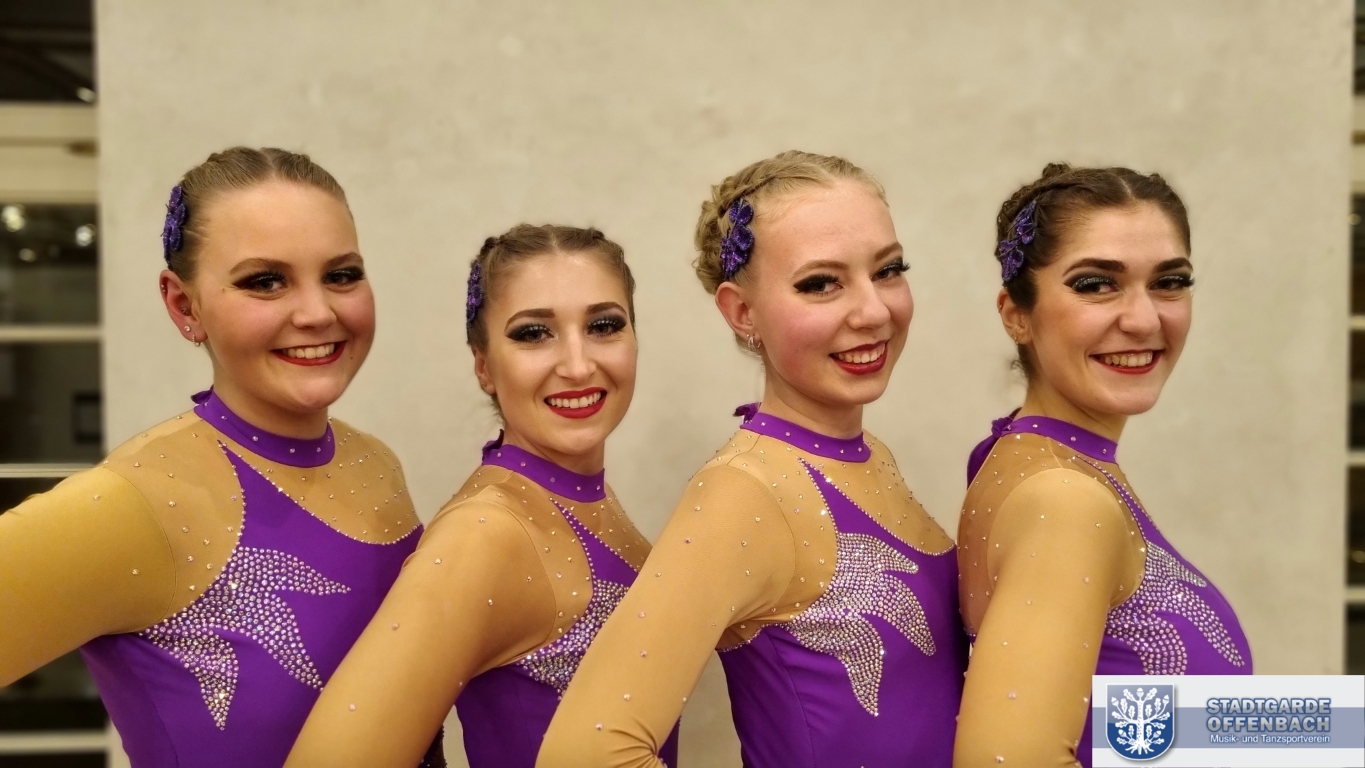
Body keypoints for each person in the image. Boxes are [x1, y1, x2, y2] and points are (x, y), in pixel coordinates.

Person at [0, 147, 437, 767]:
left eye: (341, 275)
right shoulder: (136, 503)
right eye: (265, 281)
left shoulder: (374, 464)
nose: (318, 312)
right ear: (184, 305)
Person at [537, 151, 966, 768]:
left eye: (888, 270)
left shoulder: (867, 455)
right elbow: (586, 752)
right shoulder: (745, 492)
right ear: (743, 312)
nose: (874, 310)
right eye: (821, 283)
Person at [285, 224, 675, 768]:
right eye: (533, 334)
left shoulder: (584, 497)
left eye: (604, 326)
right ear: (484, 366)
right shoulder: (485, 532)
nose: (578, 365)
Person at [953, 163, 1252, 768]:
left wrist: (1321, 732)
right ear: (1016, 314)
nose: (1144, 319)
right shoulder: (1065, 499)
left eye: (1170, 282)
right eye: (1095, 284)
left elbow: (1125, 729)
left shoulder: (1053, 460)